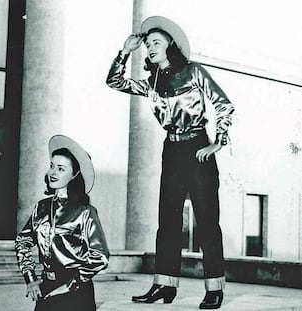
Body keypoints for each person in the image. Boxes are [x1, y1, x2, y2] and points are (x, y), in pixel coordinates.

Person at [106, 16, 234, 309]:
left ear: (170, 46)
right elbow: (114, 81)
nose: (150, 48)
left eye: (156, 43)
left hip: (198, 146)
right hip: (172, 151)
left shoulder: (195, 72)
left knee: (206, 223)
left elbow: (223, 104)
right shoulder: (153, 81)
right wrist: (125, 51)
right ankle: (164, 285)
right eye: (148, 44)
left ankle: (214, 288)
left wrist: (217, 142)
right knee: (167, 222)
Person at [15, 135, 109, 311]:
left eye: (60, 168)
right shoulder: (41, 207)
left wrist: (71, 285)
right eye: (51, 166)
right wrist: (30, 279)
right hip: (46, 288)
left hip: (77, 293)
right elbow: (22, 243)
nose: (53, 173)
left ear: (74, 175)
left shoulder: (85, 211)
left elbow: (100, 257)